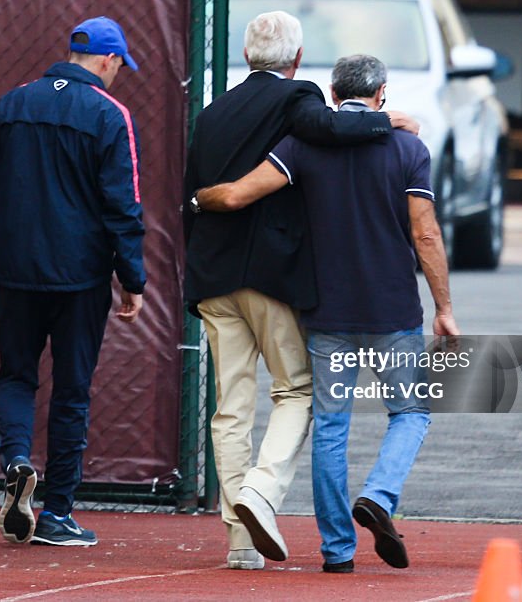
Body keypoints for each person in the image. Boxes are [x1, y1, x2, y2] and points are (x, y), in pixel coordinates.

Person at [196, 54, 459, 573]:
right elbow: (424, 233)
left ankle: (338, 551)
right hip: (392, 309)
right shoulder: (408, 148)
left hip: (327, 313)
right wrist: (444, 308)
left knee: (331, 427)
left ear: (334, 97)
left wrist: (200, 200)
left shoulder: (302, 148)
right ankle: (380, 497)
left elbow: (238, 195)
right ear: (380, 94)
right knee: (410, 413)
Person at [0, 16, 145, 548]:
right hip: (81, 277)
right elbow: (123, 205)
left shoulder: (12, 103)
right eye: (119, 66)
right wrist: (131, 277)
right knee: (72, 390)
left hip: (17, 270)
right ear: (109, 60)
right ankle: (58, 512)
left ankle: (17, 460)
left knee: (17, 375)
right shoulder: (110, 114)